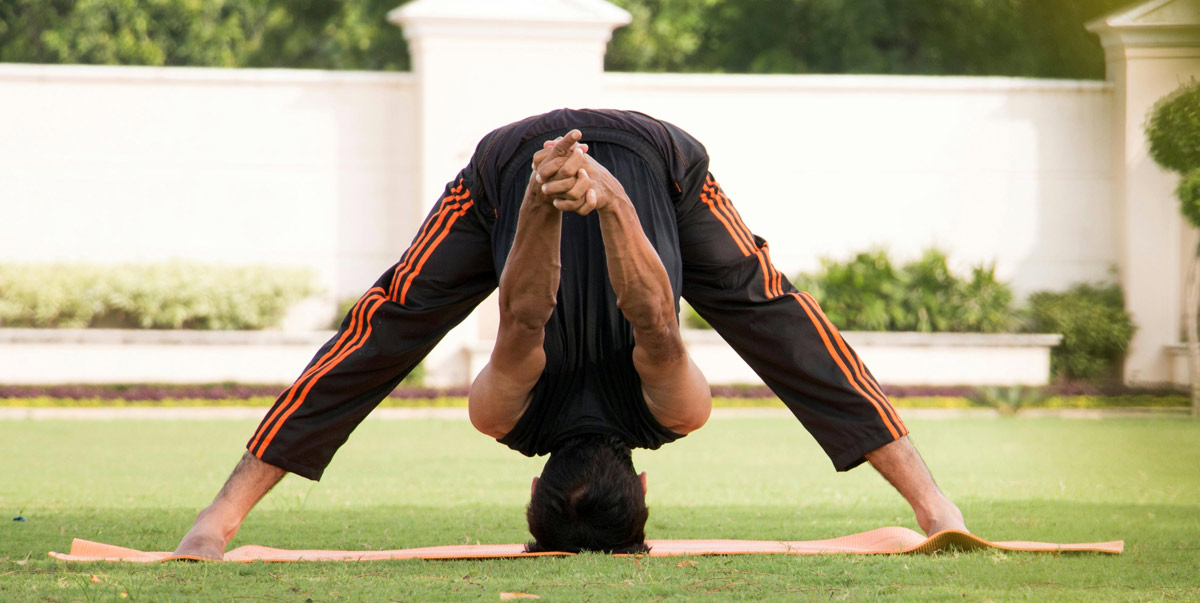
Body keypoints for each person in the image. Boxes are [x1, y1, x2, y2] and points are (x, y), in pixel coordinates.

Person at [174, 109, 966, 560]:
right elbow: (641, 318)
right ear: (529, 493)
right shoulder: (511, 417)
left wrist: (542, 200)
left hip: (550, 168)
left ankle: (939, 509)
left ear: (646, 494)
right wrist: (606, 199)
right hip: (631, 162)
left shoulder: (667, 413)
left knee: (390, 324)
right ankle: (219, 520)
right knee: (771, 311)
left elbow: (539, 316)